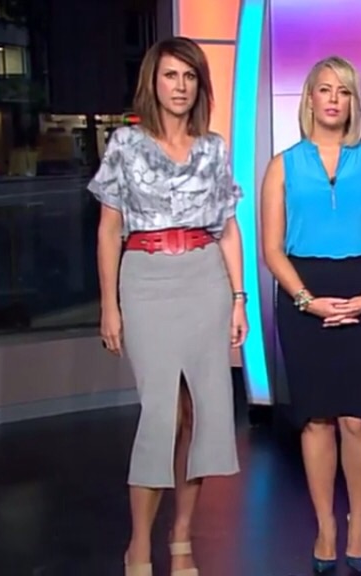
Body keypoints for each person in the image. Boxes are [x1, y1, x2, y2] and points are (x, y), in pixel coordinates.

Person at [89, 36, 247, 576]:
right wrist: (109, 305)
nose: (180, 86)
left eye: (190, 77)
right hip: (146, 280)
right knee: (160, 414)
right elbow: (108, 231)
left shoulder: (213, 148)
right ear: (152, 83)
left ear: (200, 85)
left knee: (197, 414)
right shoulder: (125, 144)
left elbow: (228, 229)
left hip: (205, 279)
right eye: (171, 76)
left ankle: (181, 538)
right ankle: (139, 545)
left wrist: (239, 299)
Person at [261, 56, 361, 575]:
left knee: (357, 420)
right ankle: (325, 527)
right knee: (316, 418)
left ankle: (358, 523)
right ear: (310, 99)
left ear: (354, 102)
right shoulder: (283, 165)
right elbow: (271, 249)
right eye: (325, 89)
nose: (334, 100)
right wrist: (306, 300)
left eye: (344, 91)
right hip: (303, 296)